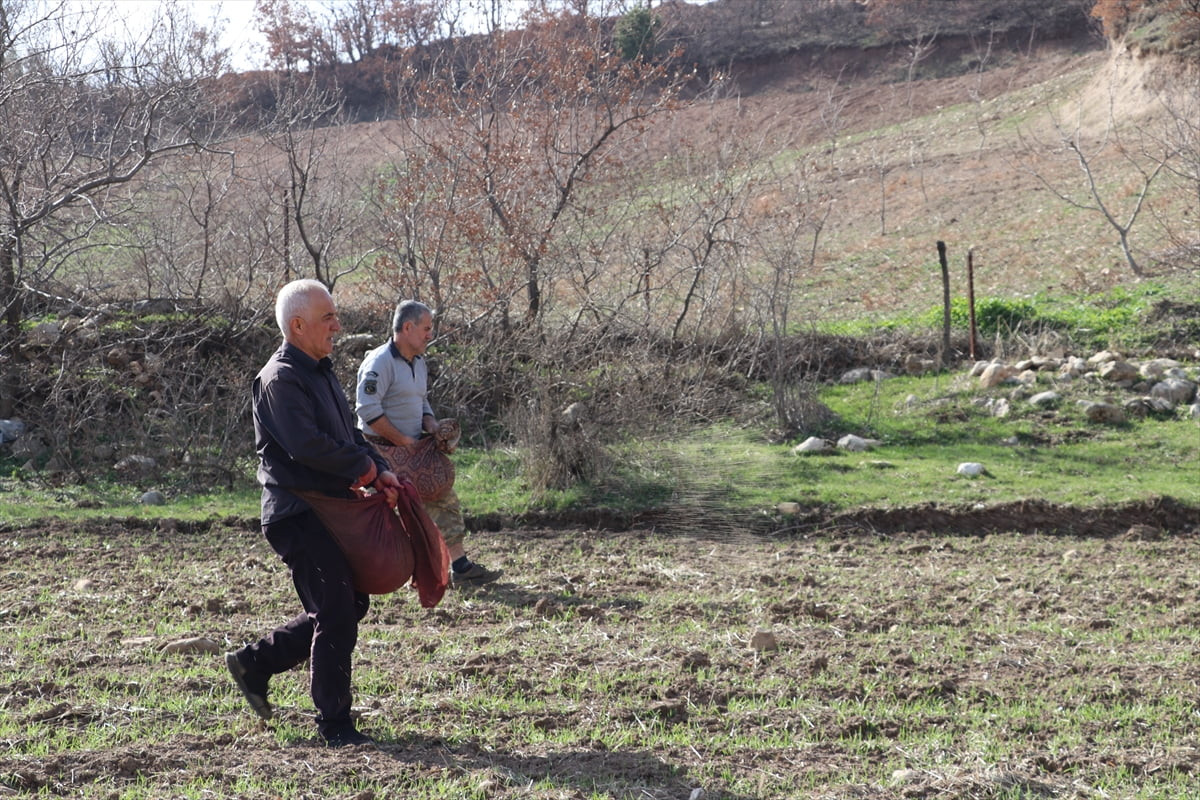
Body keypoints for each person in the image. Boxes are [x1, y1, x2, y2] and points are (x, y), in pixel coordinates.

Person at [226, 278, 402, 748]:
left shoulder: (320, 372)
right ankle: (334, 724)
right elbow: (306, 446)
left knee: (349, 605)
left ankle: (254, 663)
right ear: (298, 325)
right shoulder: (279, 379)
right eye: (329, 318)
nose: (337, 326)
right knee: (336, 610)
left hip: (330, 509)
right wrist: (365, 469)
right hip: (297, 512)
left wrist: (380, 469)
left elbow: (348, 436)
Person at [355, 300, 501, 587]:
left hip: (412, 449)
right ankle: (368, 572)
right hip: (381, 452)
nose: (430, 335)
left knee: (443, 497)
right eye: (426, 328)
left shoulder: (419, 362)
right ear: (407, 327)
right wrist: (404, 442)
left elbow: (421, 401)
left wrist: (432, 427)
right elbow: (367, 411)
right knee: (384, 514)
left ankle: (460, 567)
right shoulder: (379, 362)